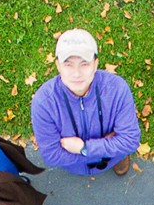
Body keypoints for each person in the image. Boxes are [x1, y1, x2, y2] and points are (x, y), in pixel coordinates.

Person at [30, 29, 141, 178]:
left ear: (95, 64)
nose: (76, 74)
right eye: (68, 65)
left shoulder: (117, 89)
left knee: (119, 154)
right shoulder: (43, 102)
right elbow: (52, 156)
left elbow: (130, 141)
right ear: (58, 66)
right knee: (117, 150)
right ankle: (115, 154)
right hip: (78, 166)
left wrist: (84, 148)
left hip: (102, 158)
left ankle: (117, 158)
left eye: (84, 64)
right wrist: (110, 144)